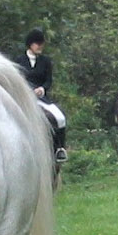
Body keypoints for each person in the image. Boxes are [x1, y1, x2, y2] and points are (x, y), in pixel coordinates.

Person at [19, 27, 67, 160]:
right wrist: (29, 90)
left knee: (60, 118)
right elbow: (18, 80)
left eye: (42, 44)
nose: (41, 46)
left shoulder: (45, 61)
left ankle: (59, 149)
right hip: (23, 98)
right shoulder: (19, 60)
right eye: (38, 43)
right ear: (30, 44)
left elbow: (48, 81)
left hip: (41, 98)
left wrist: (42, 89)